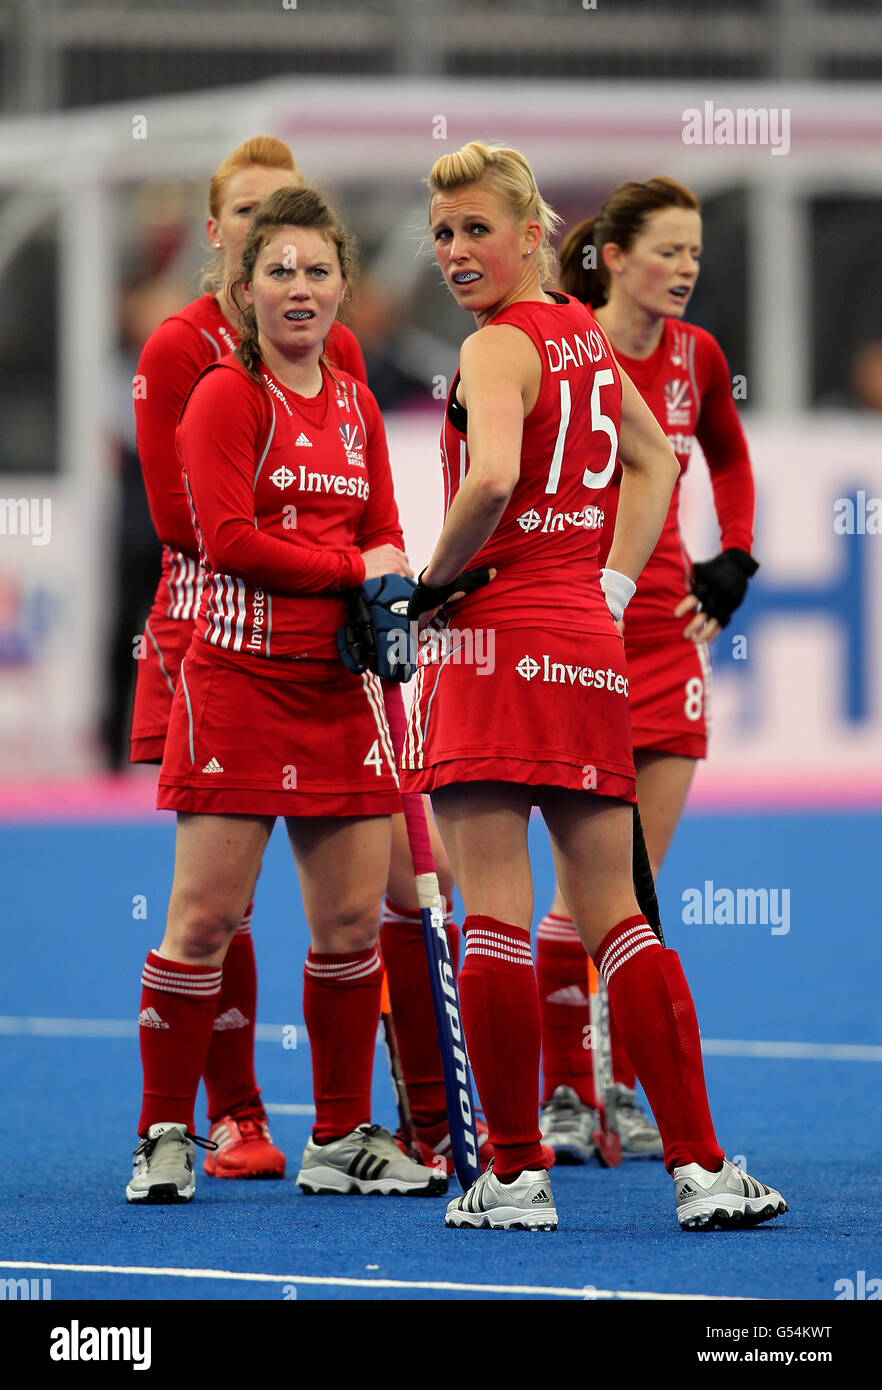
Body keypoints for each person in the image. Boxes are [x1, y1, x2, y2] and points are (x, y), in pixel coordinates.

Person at [402, 141, 786, 1232]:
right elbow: (660, 461)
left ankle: (516, 1175)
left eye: (477, 228)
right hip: (585, 640)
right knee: (621, 914)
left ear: (534, 234)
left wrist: (428, 589)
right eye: (441, 233)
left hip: (496, 635)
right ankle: (704, 1168)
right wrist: (610, 584)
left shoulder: (495, 347)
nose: (455, 251)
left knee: (496, 914)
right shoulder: (581, 334)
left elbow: (490, 479)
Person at [132, 136, 472, 1182]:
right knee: (201, 917)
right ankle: (168, 1136)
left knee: (345, 927)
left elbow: (383, 527)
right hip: (237, 684)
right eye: (278, 270)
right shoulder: (223, 397)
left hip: (341, 690)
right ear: (241, 288)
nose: (300, 288)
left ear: (342, 287)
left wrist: (396, 577)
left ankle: (338, 1137)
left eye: (319, 271)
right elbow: (223, 536)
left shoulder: (358, 402)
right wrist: (347, 568)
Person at [536, 179, 760, 1166]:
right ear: (614, 256)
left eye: (696, 255)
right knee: (574, 895)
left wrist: (735, 555)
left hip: (665, 643)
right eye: (668, 251)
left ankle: (620, 1085)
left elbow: (730, 461)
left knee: (636, 884)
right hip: (577, 640)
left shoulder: (697, 357)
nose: (685, 269)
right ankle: (558, 1093)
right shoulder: (559, 346)